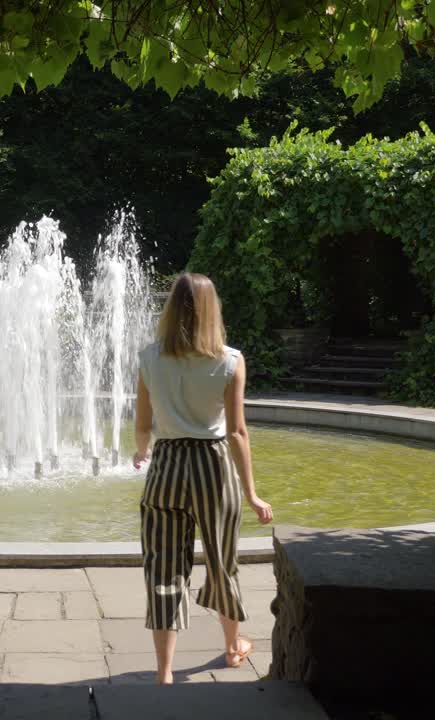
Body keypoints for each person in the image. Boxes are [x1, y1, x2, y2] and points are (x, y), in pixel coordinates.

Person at [131, 272, 275, 685]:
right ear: (213, 310)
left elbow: (143, 424)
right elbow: (237, 432)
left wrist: (142, 451)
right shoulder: (229, 360)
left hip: (167, 466)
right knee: (222, 560)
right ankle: (232, 648)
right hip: (212, 465)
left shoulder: (149, 357)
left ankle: (164, 672)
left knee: (163, 566)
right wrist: (252, 493)